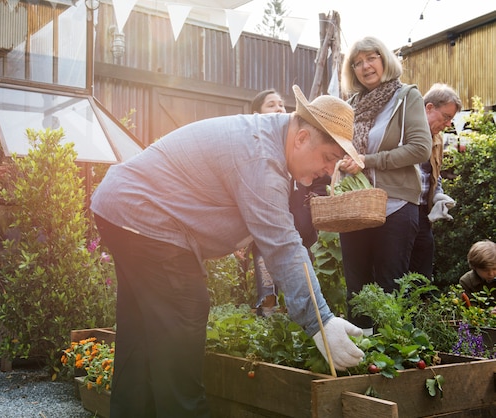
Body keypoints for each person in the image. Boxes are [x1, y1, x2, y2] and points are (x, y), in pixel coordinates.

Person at [90, 85, 365, 417]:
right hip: (143, 217)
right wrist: (321, 321)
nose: (328, 170)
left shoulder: (267, 140)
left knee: (142, 332)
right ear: (302, 138)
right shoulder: (261, 156)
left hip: (120, 209)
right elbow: (282, 245)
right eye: (328, 158)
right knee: (184, 311)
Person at [338, 36, 432, 332]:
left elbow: (420, 148)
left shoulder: (406, 97)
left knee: (389, 289)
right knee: (357, 290)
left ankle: (388, 361)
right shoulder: (351, 105)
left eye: (371, 58)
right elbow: (344, 149)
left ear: (384, 59)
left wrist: (369, 160)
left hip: (395, 205)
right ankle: (359, 362)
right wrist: (342, 161)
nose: (365, 66)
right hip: (356, 207)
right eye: (357, 62)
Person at [248, 89, 329, 316]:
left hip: (301, 232)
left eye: (281, 104)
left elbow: (322, 181)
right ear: (257, 114)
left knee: (300, 274)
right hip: (266, 231)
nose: (279, 109)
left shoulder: (296, 146)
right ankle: (268, 316)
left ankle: (302, 319)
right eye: (271, 105)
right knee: (266, 280)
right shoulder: (257, 150)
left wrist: (311, 205)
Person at [409, 83, 462, 279]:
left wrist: (439, 195)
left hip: (422, 211)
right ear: (429, 108)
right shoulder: (405, 130)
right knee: (399, 268)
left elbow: (435, 174)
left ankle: (420, 307)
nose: (448, 124)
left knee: (423, 265)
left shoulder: (437, 139)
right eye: (446, 117)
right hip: (401, 209)